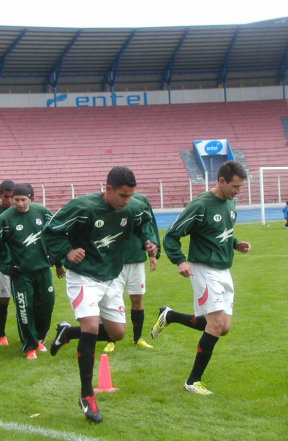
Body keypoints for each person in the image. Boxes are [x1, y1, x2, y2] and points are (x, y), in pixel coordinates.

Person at [44, 166, 158, 423]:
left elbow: (144, 224)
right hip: (83, 275)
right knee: (92, 326)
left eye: (130, 195)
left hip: (111, 275)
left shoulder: (132, 207)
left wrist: (149, 243)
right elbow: (51, 231)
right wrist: (66, 253)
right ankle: (87, 396)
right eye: (122, 195)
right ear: (107, 189)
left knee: (117, 333)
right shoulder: (82, 207)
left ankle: (68, 333)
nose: (127, 201)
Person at [151, 161, 251, 395]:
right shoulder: (201, 205)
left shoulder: (230, 203)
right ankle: (192, 382)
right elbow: (172, 236)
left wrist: (236, 244)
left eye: (240, 187)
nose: (238, 192)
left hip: (224, 269)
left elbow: (222, 233)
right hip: (204, 269)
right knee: (215, 324)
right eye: (235, 186)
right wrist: (180, 260)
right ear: (222, 181)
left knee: (223, 327)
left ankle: (170, 316)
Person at [0, 183, 56, 360]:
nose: (19, 203)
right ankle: (30, 346)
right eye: (16, 200)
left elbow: (55, 233)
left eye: (23, 200)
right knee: (25, 308)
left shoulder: (43, 212)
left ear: (31, 199)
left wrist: (55, 256)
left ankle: (39, 338)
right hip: (21, 274)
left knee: (46, 305)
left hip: (43, 270)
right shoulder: (5, 218)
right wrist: (7, 266)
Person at [104, 192, 160, 352]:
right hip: (115, 260)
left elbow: (150, 227)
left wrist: (153, 254)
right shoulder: (109, 203)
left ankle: (137, 338)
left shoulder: (141, 201)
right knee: (112, 301)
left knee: (137, 299)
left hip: (136, 258)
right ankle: (111, 340)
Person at [0, 180, 15, 345]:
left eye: (12, 197)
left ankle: (35, 333)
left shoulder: (20, 211)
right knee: (4, 298)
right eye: (6, 197)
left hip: (22, 261)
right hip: (3, 262)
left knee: (27, 298)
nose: (10, 200)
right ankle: (1, 334)